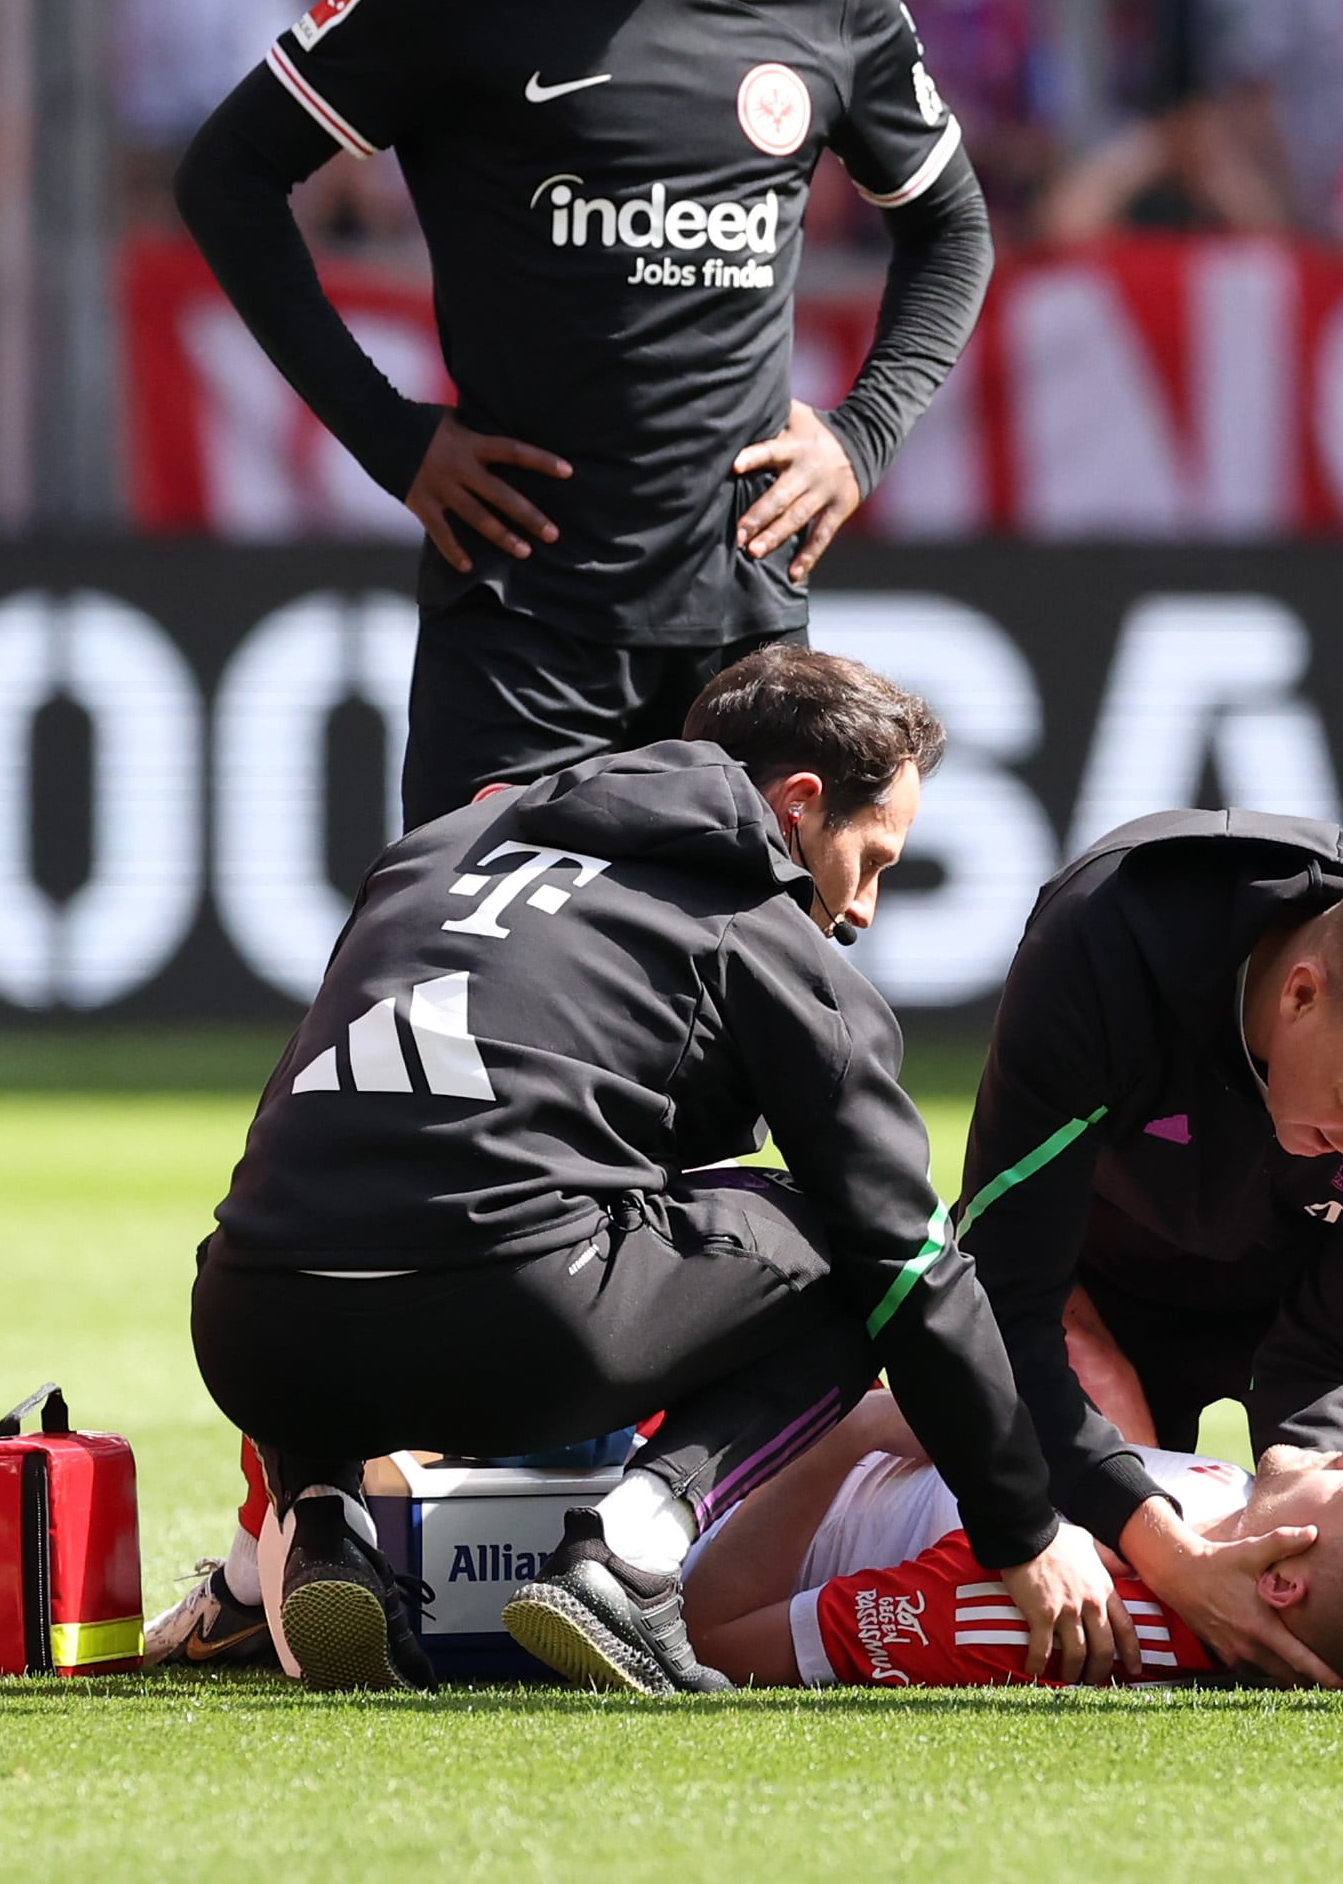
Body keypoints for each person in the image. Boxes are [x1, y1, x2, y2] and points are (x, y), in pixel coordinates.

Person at [174, 0, 990, 829]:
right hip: (523, 625)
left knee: (734, 1013)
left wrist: (862, 438)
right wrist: (392, 439)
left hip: (744, 634)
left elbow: (953, 230)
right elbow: (228, 174)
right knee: (476, 999)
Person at [184, 648, 1116, 1694]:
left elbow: (310, 1115)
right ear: (800, 806)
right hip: (511, 1326)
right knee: (852, 1247)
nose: (863, 910)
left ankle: (322, 1523)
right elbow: (911, 1262)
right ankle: (629, 1548)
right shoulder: (762, 936)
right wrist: (1022, 1529)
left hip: (247, 1328)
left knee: (316, 1203)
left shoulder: (433, 848)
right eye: (875, 858)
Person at [951, 812, 1343, 1690]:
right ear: (1301, 993)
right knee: (1089, 1585)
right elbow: (1000, 1303)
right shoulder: (1107, 944)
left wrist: (1325, 1510)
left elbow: (1342, 1348)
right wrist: (1164, 1546)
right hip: (1111, 1287)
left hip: (1335, 1309)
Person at [677, 1389, 1343, 1690]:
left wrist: (853, 1426)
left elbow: (709, 1634)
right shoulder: (1235, 1505)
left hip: (718, 1464)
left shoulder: (1046, 1611)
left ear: (1283, 1579)